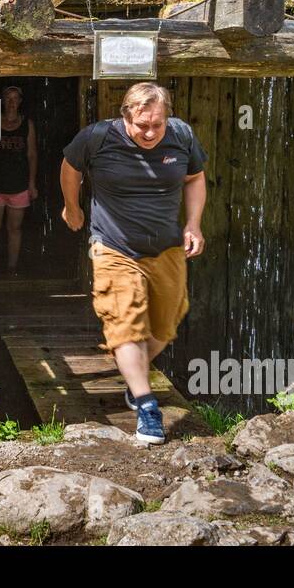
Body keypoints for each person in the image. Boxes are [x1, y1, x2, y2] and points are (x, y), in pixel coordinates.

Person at [60, 82, 207, 444]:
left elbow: (195, 177)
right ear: (126, 115)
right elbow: (70, 167)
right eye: (142, 124)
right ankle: (146, 405)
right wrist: (73, 206)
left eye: (157, 124)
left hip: (167, 247)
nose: (150, 132)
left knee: (165, 325)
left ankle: (132, 374)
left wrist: (193, 224)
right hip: (113, 246)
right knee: (125, 323)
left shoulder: (181, 136)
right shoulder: (97, 137)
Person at [0, 85, 38, 275]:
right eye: (8, 98)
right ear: (2, 101)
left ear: (20, 102)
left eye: (15, 98)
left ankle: (12, 268)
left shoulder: (28, 124)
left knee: (14, 228)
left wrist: (32, 184)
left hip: (19, 186)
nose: (11, 102)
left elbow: (32, 155)